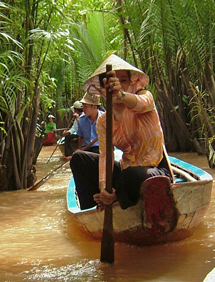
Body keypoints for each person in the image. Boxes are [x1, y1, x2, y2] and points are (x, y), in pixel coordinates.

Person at [70, 54, 172, 210]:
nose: (117, 85)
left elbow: (142, 103)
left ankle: (116, 199)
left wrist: (120, 95)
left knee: (130, 176)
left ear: (131, 84)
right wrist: (103, 187)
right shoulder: (104, 121)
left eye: (123, 80)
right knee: (79, 158)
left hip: (154, 171)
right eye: (110, 83)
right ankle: (95, 209)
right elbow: (105, 155)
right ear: (102, 89)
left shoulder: (145, 97)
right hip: (127, 173)